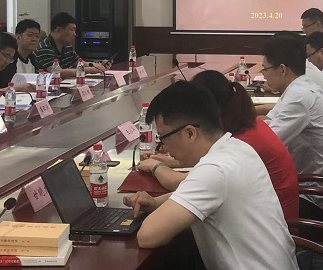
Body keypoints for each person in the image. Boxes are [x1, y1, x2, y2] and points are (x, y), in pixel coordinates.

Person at [124, 81, 298, 270]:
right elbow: (200, 190)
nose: (164, 148)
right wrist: (156, 203)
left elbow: (148, 236)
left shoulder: (214, 170)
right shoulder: (237, 147)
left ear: (190, 133)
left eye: (163, 138)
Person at [138, 70, 300, 224]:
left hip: (280, 221)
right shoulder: (242, 130)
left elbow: (184, 182)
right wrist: (172, 161)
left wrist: (156, 166)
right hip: (271, 220)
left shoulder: (240, 143)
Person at [260, 36, 323, 222]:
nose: (264, 75)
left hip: (320, 200)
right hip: (321, 187)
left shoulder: (299, 97)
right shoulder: (300, 86)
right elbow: (268, 123)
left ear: (282, 69)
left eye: (265, 69)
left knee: (246, 204)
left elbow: (264, 147)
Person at [34, 12, 110, 76]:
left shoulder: (67, 46)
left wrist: (98, 65)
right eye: (71, 30)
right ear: (58, 30)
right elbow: (58, 72)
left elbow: (79, 63)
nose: (74, 34)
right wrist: (90, 70)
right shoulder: (45, 48)